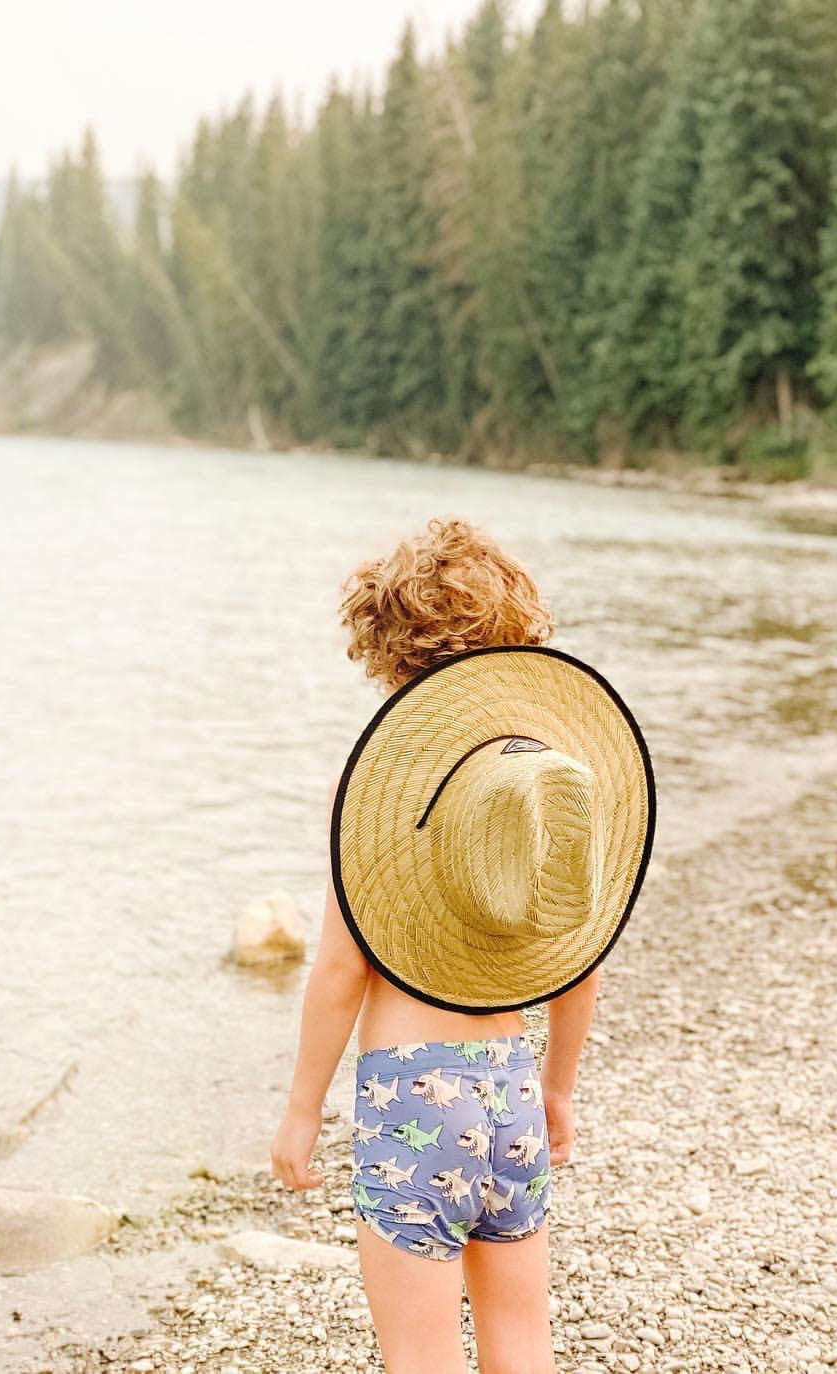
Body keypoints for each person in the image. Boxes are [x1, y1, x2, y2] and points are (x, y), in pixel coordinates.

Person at [270, 516, 654, 1374]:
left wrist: (303, 1106)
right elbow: (576, 955)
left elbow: (342, 966)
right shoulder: (542, 782)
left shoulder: (376, 786)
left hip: (412, 1096)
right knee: (522, 1337)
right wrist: (557, 1091)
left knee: (421, 1353)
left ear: (387, 648)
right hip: (510, 1082)